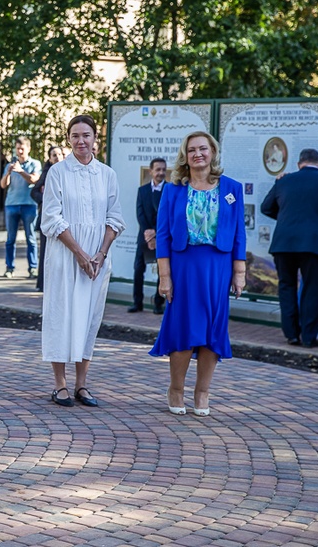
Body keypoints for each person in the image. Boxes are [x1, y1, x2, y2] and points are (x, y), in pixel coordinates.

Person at [150, 131, 246, 416]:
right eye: (191, 150)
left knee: (213, 330)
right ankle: (176, 389)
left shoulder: (232, 189)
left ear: (213, 152)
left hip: (218, 266)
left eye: (203, 149)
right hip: (183, 266)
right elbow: (164, 235)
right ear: (185, 156)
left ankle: (202, 392)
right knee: (184, 328)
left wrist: (239, 272)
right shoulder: (173, 189)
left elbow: (239, 233)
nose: (198, 154)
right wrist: (164, 276)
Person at [41, 116, 124, 407]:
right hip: (66, 255)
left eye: (86, 135)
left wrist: (99, 254)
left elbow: (115, 217)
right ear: (68, 139)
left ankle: (82, 384)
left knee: (89, 318)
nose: (80, 141)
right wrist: (78, 253)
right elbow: (51, 217)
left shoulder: (107, 174)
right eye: (74, 136)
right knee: (61, 315)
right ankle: (60, 385)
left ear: (95, 138)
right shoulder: (58, 172)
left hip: (97, 260)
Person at [260, 148, 318, 348]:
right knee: (313, 289)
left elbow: (266, 207)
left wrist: (285, 219)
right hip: (315, 244)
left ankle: (291, 334)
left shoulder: (284, 180)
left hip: (283, 243)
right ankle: (308, 337)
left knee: (286, 287)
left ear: (300, 164)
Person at [129, 158, 167, 314]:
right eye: (158, 170)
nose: (161, 173)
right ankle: (137, 303)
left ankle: (158, 303)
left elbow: (168, 216)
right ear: (151, 171)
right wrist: (148, 234)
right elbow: (140, 213)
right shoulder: (142, 190)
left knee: (162, 270)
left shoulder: (169, 190)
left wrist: (157, 234)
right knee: (138, 268)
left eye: (163, 169)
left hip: (162, 237)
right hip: (144, 236)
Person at [1, 136, 42, 278]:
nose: (19, 151)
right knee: (10, 238)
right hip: (11, 204)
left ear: (28, 149)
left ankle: (33, 268)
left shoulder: (35, 164)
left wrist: (20, 171)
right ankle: (9, 268)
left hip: (29, 205)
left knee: (30, 238)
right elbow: (3, 185)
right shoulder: (10, 165)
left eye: (22, 148)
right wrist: (8, 172)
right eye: (17, 148)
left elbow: (34, 180)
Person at [30, 145, 65, 291]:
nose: (57, 157)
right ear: (49, 159)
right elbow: (34, 192)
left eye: (59, 154)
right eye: (54, 155)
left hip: (64, 219)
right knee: (46, 252)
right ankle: (43, 284)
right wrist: (47, 199)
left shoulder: (66, 170)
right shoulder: (47, 173)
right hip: (48, 219)